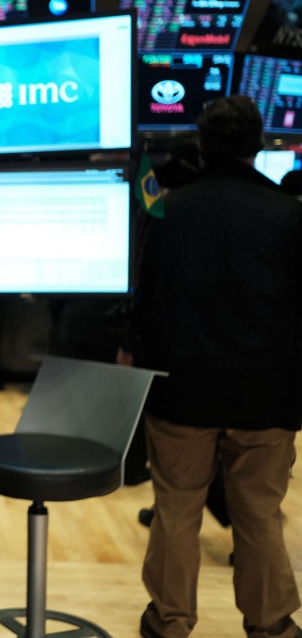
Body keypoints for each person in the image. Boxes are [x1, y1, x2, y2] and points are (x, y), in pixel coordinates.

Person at [132, 95, 302, 638]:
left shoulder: (167, 210)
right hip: (268, 395)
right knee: (259, 514)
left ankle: (170, 621)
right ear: (259, 146)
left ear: (202, 145)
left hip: (182, 390)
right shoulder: (290, 215)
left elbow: (147, 301)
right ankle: (272, 624)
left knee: (177, 510)